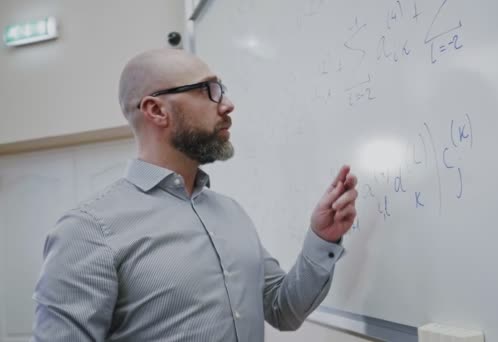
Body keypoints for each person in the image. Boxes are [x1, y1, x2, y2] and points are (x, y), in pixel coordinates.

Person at [31, 48, 358, 341]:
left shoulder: (232, 213)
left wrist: (322, 239)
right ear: (157, 111)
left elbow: (282, 310)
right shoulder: (88, 230)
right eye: (209, 91)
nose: (227, 104)